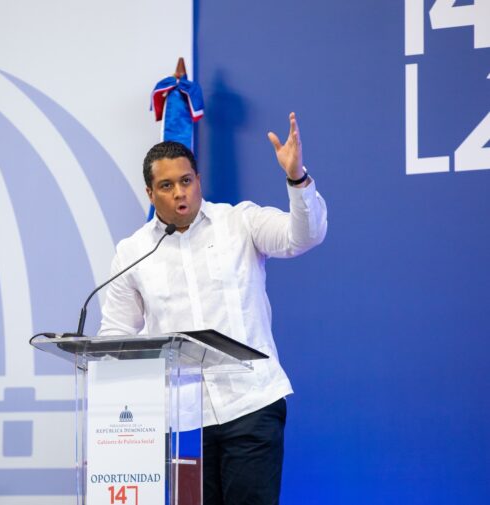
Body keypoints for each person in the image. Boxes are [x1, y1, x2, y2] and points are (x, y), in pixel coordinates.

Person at [98, 113, 327, 505]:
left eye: (186, 181)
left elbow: (303, 236)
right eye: (166, 186)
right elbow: (115, 337)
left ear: (198, 180)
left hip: (251, 403)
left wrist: (296, 178)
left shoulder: (240, 222)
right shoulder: (132, 252)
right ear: (150, 194)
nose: (180, 193)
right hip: (182, 420)